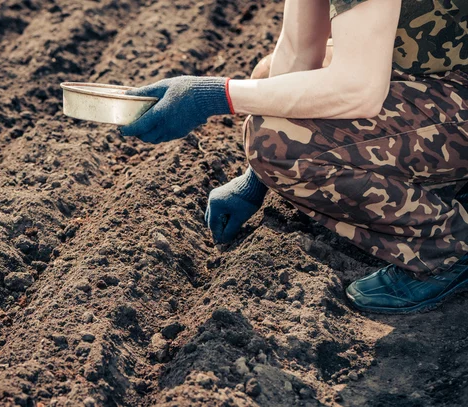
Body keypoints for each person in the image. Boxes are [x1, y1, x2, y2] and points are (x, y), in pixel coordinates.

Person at [121, 0, 468, 314]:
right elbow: (297, 53)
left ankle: (446, 249)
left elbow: (357, 90)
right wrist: (254, 178)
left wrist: (210, 96)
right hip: (436, 70)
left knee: (276, 140)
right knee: (266, 80)